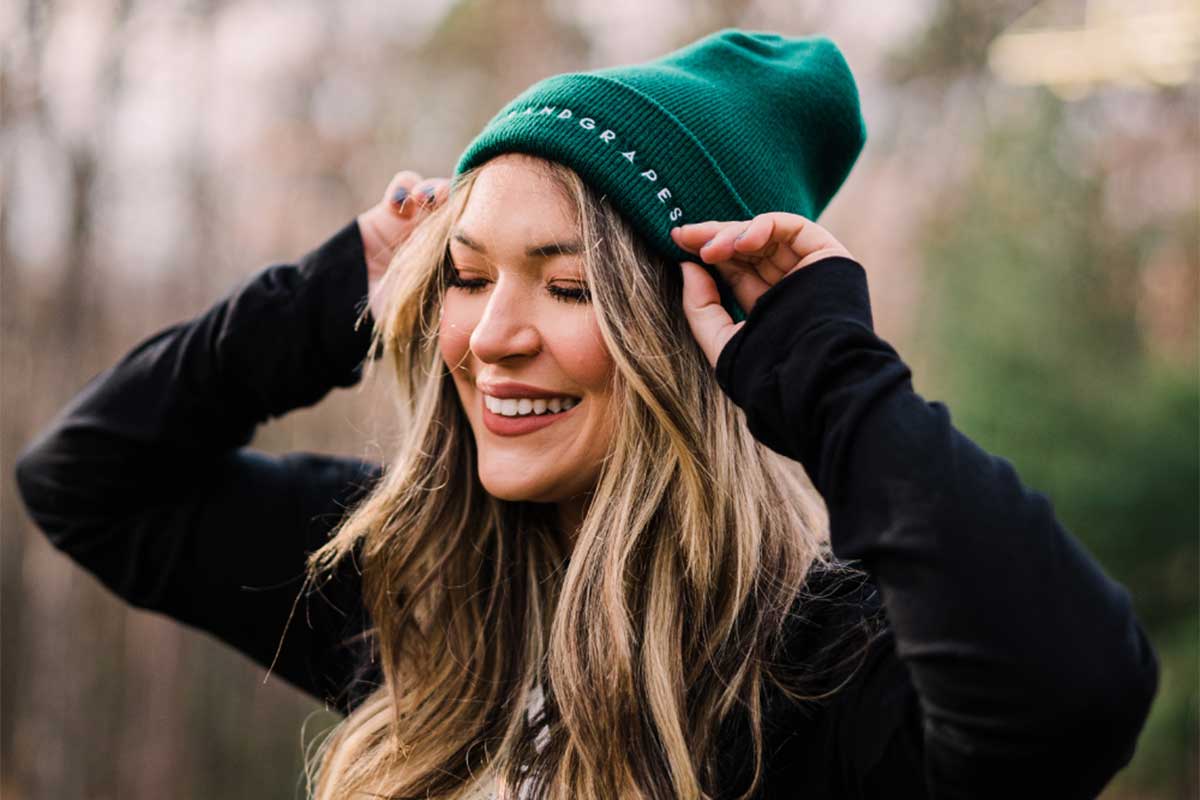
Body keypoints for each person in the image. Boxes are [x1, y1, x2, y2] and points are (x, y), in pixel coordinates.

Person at [13, 28, 1158, 800]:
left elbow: (1074, 698)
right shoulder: (406, 583)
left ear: (691, 336)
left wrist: (828, 371)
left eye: (568, 288)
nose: (493, 334)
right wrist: (333, 289)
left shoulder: (823, 667)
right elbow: (88, 479)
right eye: (465, 274)